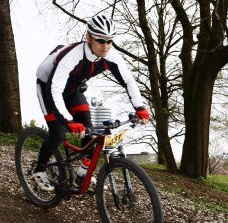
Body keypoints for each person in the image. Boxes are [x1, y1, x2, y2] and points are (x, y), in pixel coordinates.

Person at [33, 14, 150, 191]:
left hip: (72, 90)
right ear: (88, 37)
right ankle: (38, 169)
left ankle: (81, 175)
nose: (106, 46)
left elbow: (128, 81)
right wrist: (68, 121)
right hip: (48, 88)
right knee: (58, 132)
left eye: (110, 41)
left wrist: (140, 107)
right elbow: (54, 88)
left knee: (89, 131)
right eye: (100, 41)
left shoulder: (111, 56)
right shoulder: (73, 55)